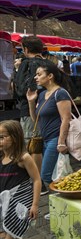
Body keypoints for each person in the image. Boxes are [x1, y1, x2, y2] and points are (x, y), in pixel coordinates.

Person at [0, 120, 42, 239]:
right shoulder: (2, 156)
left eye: (3, 137)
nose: (0, 141)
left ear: (15, 137)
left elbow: (37, 180)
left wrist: (35, 204)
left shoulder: (23, 158)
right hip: (7, 208)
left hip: (20, 209)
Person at [25, 62, 72, 188]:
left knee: (46, 174)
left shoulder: (60, 93)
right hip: (45, 139)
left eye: (39, 74)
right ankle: (61, 196)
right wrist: (31, 102)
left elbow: (66, 118)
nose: (36, 77)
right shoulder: (41, 94)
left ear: (50, 76)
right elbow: (35, 119)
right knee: (52, 173)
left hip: (55, 138)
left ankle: (61, 196)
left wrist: (61, 142)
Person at [12, 36, 47, 171]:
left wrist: (17, 70)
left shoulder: (26, 64)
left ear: (25, 49)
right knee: (40, 143)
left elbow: (20, 90)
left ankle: (35, 179)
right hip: (46, 108)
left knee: (33, 145)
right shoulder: (47, 64)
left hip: (29, 110)